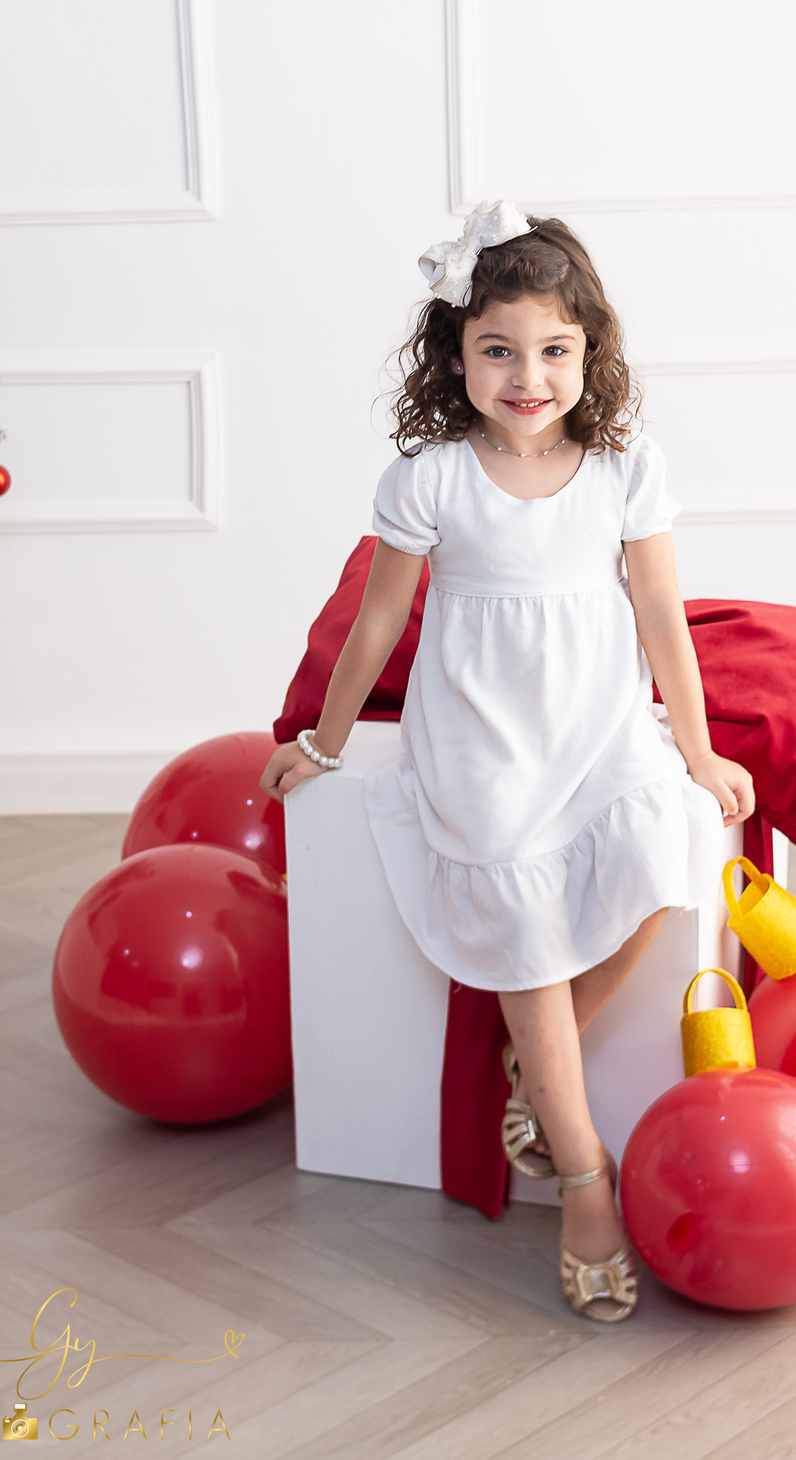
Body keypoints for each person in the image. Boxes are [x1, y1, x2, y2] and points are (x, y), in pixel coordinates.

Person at [262, 202, 753, 1322]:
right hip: (483, 737)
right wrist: (322, 743)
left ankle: (535, 1071)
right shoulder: (432, 477)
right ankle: (585, 1178)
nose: (526, 376)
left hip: (598, 725)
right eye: (497, 350)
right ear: (458, 355)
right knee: (525, 914)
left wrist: (699, 752)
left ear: (590, 352)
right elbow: (380, 625)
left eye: (553, 350)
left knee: (666, 847)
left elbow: (663, 615)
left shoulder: (625, 467)